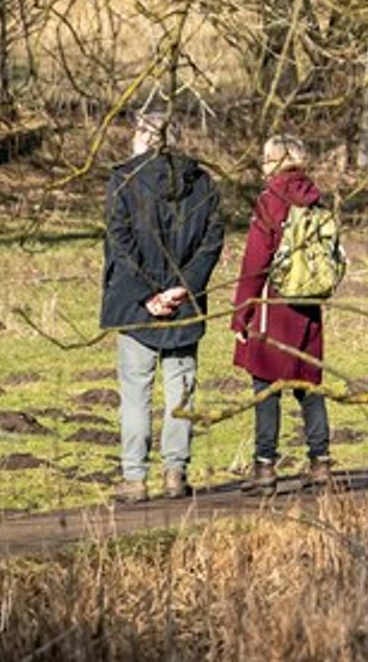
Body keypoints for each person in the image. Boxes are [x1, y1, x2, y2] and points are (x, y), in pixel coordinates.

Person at [99, 109, 224, 503]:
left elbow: (120, 243)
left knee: (135, 392)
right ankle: (175, 472)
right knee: (180, 392)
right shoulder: (204, 183)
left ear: (143, 136)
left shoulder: (125, 181)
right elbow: (211, 243)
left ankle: (135, 478)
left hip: (137, 306)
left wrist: (147, 295)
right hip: (185, 304)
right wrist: (183, 288)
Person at [232, 134, 333, 493]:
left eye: (265, 157)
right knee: (309, 384)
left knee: (265, 385)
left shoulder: (271, 201)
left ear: (276, 160)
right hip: (308, 304)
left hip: (272, 306)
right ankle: (320, 463)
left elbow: (254, 262)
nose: (261, 164)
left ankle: (265, 468)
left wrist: (241, 312)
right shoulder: (317, 200)